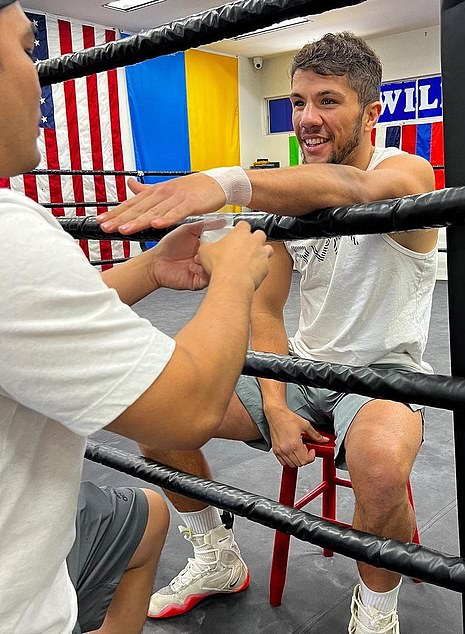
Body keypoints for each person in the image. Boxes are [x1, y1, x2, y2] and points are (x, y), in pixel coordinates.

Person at [100, 32, 438, 633]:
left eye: (328, 101)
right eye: (298, 102)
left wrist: (226, 184)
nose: (307, 118)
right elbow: (268, 310)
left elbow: (359, 190)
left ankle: (377, 612)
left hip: (386, 370)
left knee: (382, 465)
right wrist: (277, 405)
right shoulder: (291, 197)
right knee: (157, 414)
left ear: (371, 111)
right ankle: (216, 555)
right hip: (305, 369)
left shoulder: (404, 169)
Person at [0, 3, 272, 633]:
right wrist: (234, 277)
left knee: (145, 518)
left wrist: (150, 268)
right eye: (22, 50)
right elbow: (189, 409)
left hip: (367, 370)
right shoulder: (9, 233)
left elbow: (36, 319)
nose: (39, 79)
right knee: (161, 443)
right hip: (15, 606)